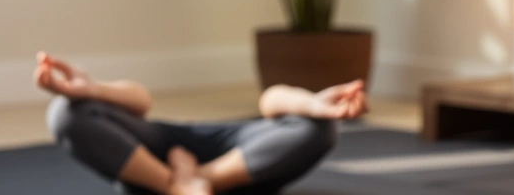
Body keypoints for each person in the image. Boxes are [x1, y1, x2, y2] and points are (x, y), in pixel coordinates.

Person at [34, 52, 368, 195]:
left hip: (153, 164)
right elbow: (272, 100)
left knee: (65, 114)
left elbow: (140, 101)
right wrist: (312, 104)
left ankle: (175, 184)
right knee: (321, 128)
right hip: (240, 160)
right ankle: (204, 180)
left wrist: (92, 91)